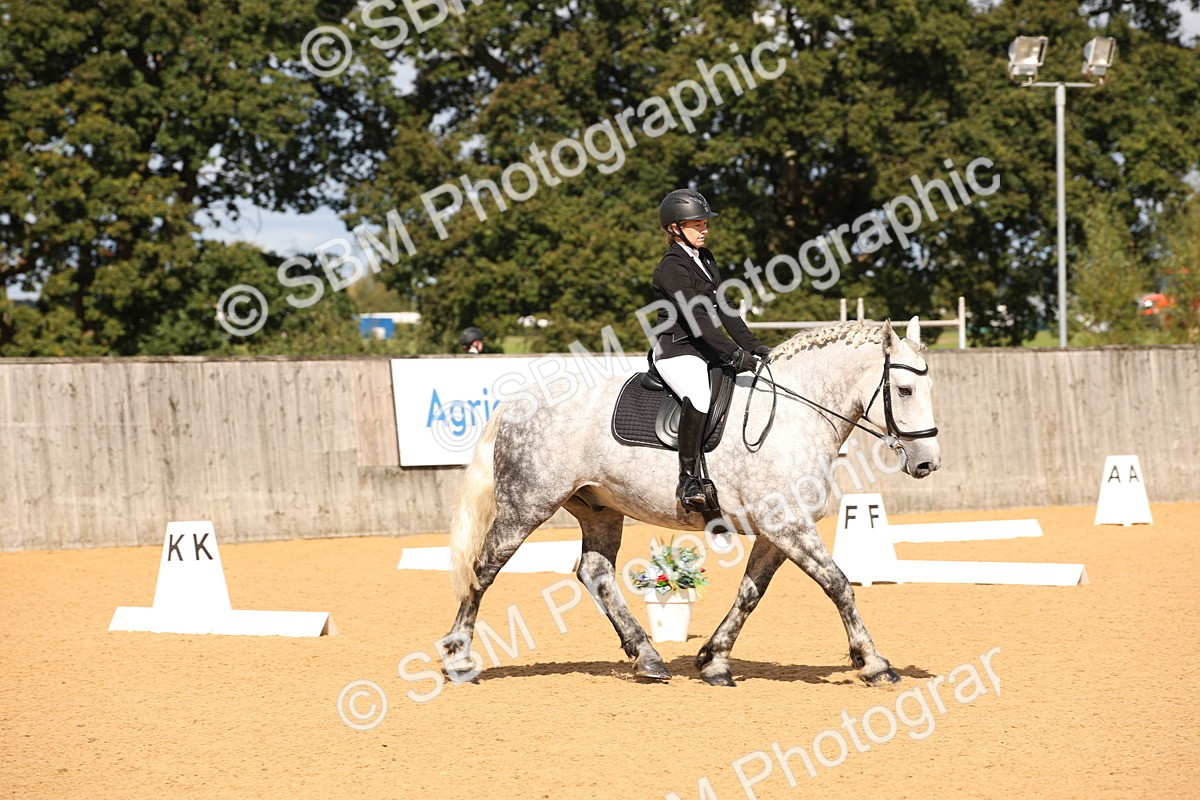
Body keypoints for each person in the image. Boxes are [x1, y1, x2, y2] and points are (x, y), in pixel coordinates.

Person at [651, 188, 770, 512]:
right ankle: (687, 480)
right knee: (700, 396)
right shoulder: (673, 266)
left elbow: (725, 309)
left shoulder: (705, 259)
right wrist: (733, 354)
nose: (704, 229)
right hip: (676, 348)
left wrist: (756, 347)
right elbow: (696, 317)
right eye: (696, 224)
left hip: (704, 347)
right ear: (675, 228)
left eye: (705, 223)